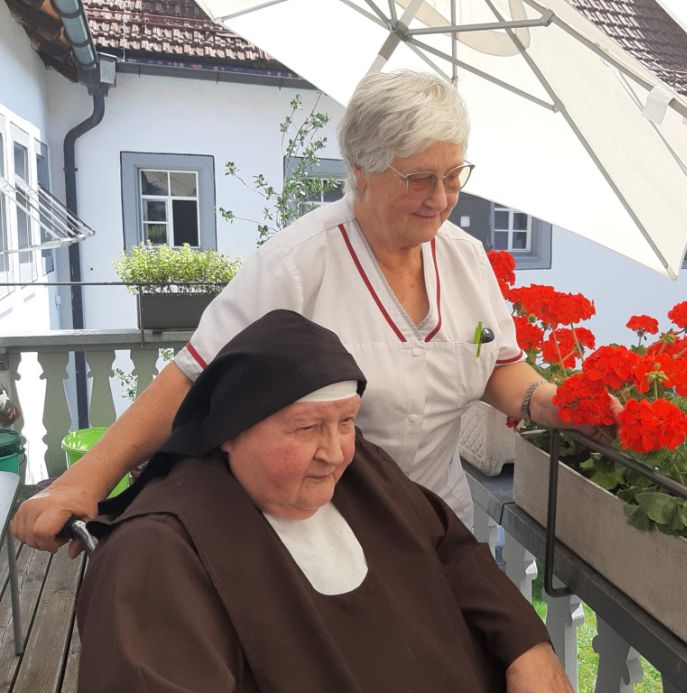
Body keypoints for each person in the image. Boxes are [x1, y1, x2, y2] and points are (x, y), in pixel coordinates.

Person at [15, 69, 617, 551]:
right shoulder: (295, 265)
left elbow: (496, 367)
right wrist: (86, 479)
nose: (441, 199)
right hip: (320, 533)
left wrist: (554, 402)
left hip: (439, 523)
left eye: (454, 175)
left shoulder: (466, 260)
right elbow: (193, 378)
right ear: (359, 169)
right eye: (419, 178)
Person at [76, 310, 571, 692]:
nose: (334, 454)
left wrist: (529, 646)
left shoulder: (365, 473)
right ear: (228, 430)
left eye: (347, 421)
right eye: (307, 427)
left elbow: (455, 553)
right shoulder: (156, 553)